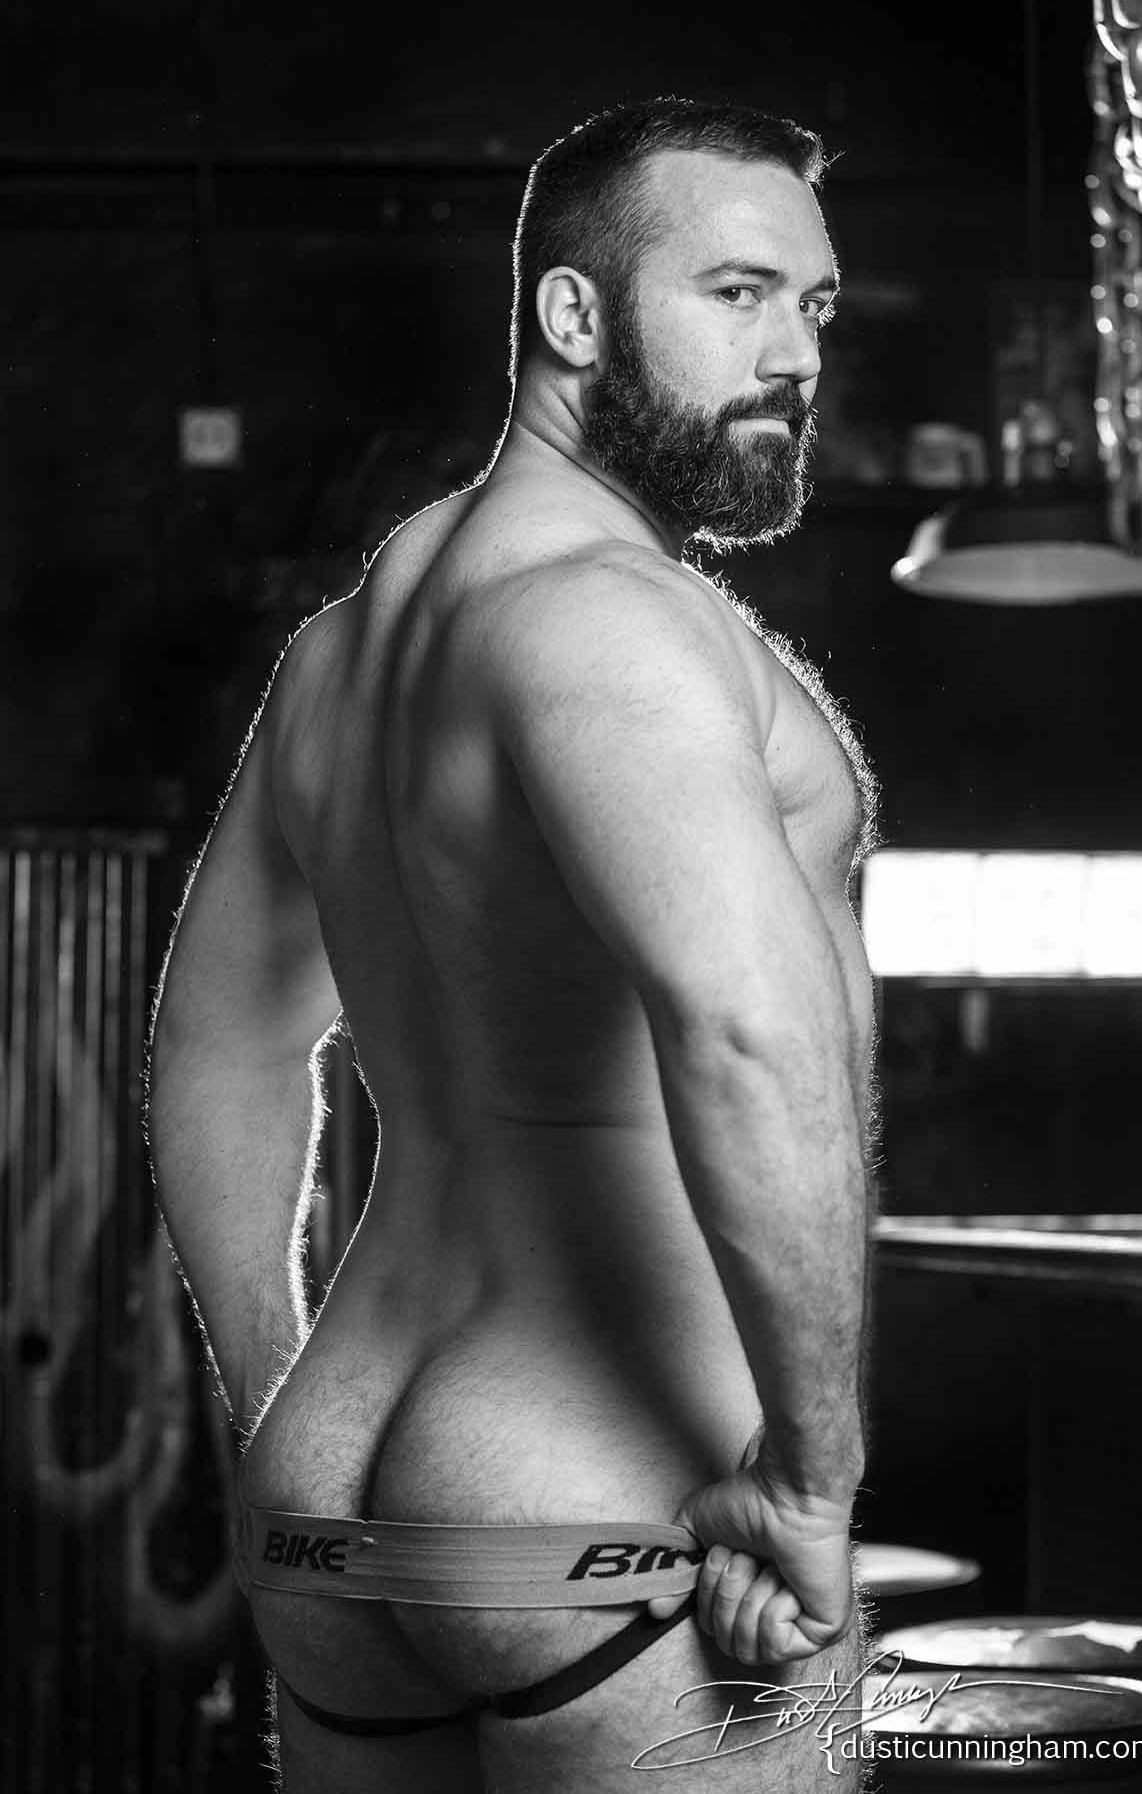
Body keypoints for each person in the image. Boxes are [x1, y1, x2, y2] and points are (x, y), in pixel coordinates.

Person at [147, 94, 881, 1794]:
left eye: (814, 305)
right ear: (574, 314)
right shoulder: (612, 622)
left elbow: (217, 1041)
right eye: (738, 294)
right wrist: (809, 1481)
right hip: (602, 1476)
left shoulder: (346, 652)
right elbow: (748, 1032)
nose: (794, 354)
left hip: (333, 1494)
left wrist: (275, 1401)